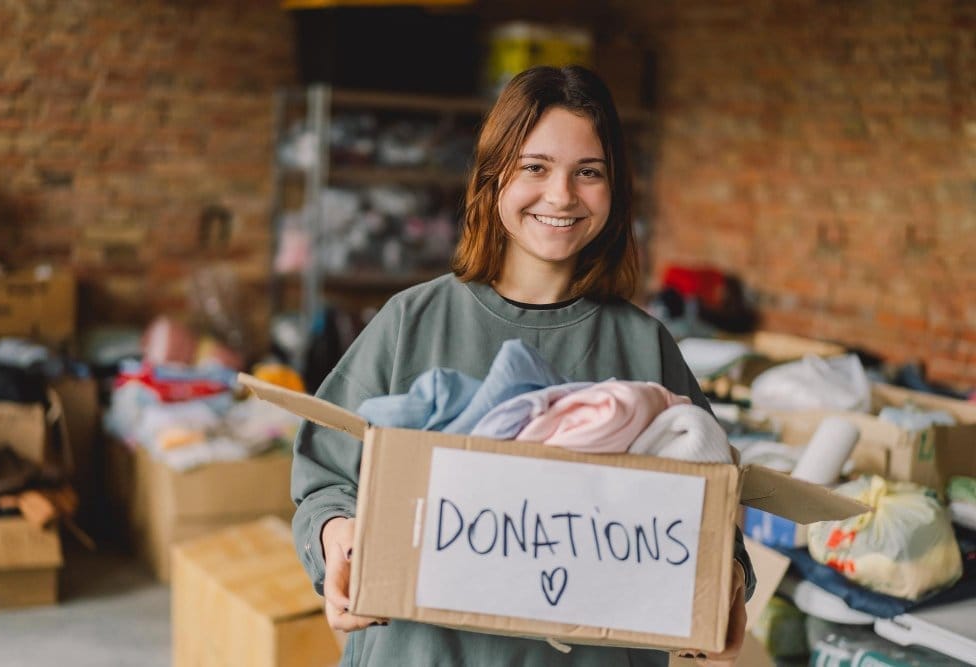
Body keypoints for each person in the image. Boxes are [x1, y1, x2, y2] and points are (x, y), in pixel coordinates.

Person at [291, 65, 755, 667]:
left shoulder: (647, 349)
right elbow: (323, 480)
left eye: (588, 173)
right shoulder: (412, 321)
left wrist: (729, 582)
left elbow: (710, 508)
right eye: (534, 167)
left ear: (615, 191)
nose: (561, 195)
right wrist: (337, 540)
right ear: (492, 176)